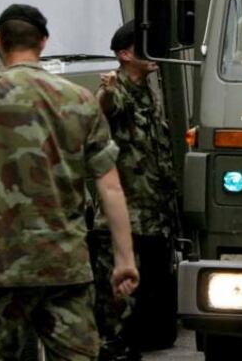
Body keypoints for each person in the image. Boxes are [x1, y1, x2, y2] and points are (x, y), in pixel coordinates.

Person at [0, 4, 139, 361]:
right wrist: (124, 260)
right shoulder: (81, 101)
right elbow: (110, 187)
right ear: (44, 42)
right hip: (64, 265)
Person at [91, 22, 180, 361]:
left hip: (154, 215)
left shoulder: (149, 91)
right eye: (145, 47)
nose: (155, 51)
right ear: (126, 54)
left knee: (147, 305)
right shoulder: (120, 89)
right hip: (125, 218)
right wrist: (107, 91)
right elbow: (104, 107)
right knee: (118, 308)